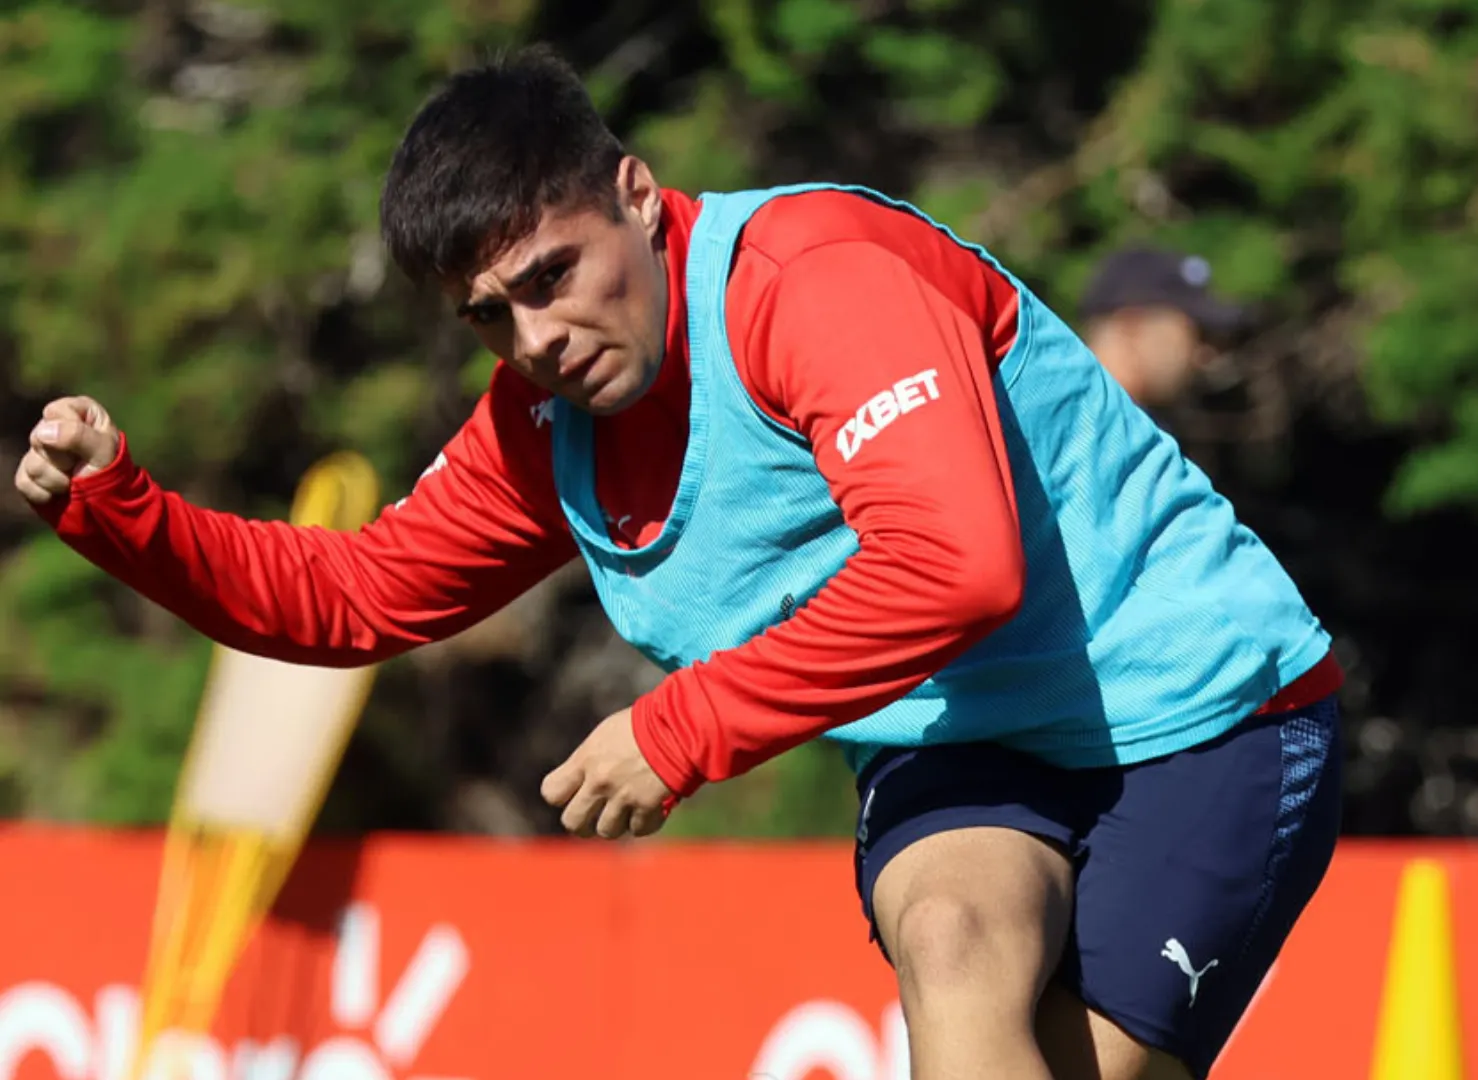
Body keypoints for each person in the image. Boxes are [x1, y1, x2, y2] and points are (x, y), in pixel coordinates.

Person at [13, 47, 1343, 1080]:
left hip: (1204, 714)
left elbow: (959, 566)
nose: (534, 336)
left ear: (639, 197)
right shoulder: (547, 416)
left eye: (551, 275)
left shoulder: (816, 282)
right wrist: (125, 514)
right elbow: (354, 594)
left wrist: (686, 725)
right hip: (966, 732)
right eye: (489, 317)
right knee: (952, 938)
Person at [1078, 246, 1248, 415]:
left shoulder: (1106, 423)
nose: (1206, 354)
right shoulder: (1072, 423)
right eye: (1199, 334)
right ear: (1131, 325)